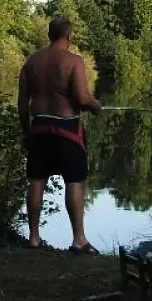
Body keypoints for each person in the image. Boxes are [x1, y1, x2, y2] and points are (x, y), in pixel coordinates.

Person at [18, 16, 102, 254]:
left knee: (36, 180)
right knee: (74, 181)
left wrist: (26, 131)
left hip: (40, 127)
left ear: (49, 35)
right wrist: (96, 106)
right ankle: (79, 240)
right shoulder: (73, 61)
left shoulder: (32, 61)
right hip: (67, 129)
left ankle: (33, 238)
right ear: (69, 36)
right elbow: (83, 98)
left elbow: (22, 103)